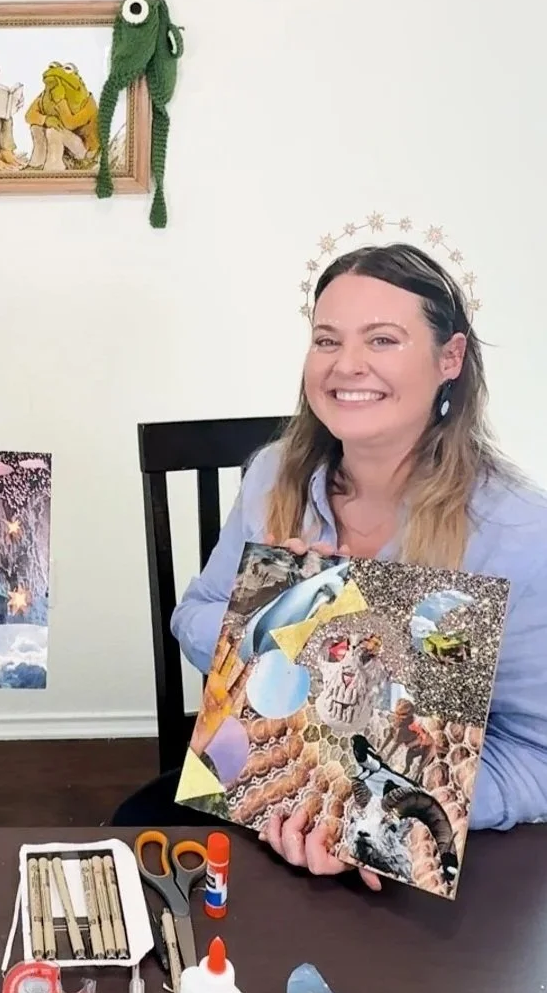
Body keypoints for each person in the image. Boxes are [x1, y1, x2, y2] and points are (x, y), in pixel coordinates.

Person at [112, 243, 547, 888]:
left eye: (383, 339)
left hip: (417, 849)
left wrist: (374, 817)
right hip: (262, 790)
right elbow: (193, 615)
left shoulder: (520, 533)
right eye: (326, 340)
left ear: (450, 357)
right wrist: (270, 618)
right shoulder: (272, 477)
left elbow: (537, 752)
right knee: (127, 842)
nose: (347, 365)